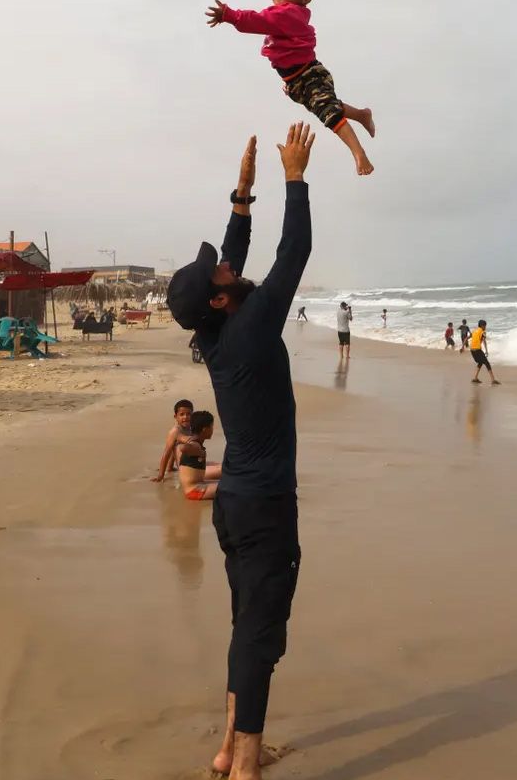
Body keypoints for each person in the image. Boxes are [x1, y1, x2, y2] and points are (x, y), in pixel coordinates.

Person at [166, 123, 317, 780]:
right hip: (262, 513)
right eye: (221, 273)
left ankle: (230, 746)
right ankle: (247, 767)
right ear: (221, 298)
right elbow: (295, 253)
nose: (228, 265)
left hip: (235, 509)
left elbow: (235, 255)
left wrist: (243, 193)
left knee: (244, 630)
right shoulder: (250, 325)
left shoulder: (221, 326)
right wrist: (295, 179)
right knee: (261, 639)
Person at [207, 0, 376, 177]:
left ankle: (359, 153)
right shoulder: (288, 13)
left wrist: (229, 15)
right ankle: (361, 115)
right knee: (324, 106)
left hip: (308, 75)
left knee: (328, 112)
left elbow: (257, 21)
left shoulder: (287, 15)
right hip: (298, 78)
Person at [178, 411, 220, 501]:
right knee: (233, 489)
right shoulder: (195, 444)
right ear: (205, 429)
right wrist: (199, 452)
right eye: (211, 427)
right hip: (194, 491)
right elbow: (183, 448)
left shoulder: (197, 443)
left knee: (228, 482)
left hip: (199, 484)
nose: (213, 430)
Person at [153, 399, 197, 483]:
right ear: (175, 417)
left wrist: (170, 467)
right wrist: (161, 475)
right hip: (186, 469)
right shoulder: (175, 431)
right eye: (182, 414)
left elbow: (174, 448)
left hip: (193, 464)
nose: (185, 417)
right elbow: (167, 453)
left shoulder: (192, 428)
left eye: (189, 414)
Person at [469, 320, 499, 385]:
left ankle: (475, 378)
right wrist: (486, 350)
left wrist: (462, 346)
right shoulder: (483, 332)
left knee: (480, 362)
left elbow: (467, 337)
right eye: (485, 325)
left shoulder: (474, 331)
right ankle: (493, 380)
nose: (485, 327)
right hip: (477, 350)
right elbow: (484, 341)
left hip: (472, 350)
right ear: (482, 325)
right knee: (487, 363)